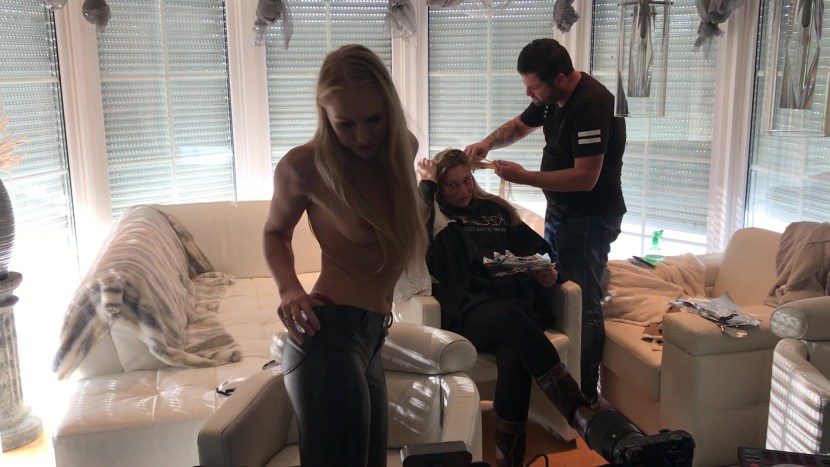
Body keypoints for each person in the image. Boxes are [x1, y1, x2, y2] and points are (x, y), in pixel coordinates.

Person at [263, 44, 427, 467]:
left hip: (373, 335)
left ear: (389, 106)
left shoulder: (403, 149)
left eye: (374, 119)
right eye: (345, 124)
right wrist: (289, 289)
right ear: (325, 113)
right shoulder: (304, 166)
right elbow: (275, 232)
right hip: (329, 334)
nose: (362, 136)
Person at [464, 38, 626, 402]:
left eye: (534, 87)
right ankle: (564, 385)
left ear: (561, 78)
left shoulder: (591, 106)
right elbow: (521, 125)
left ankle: (586, 393)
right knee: (560, 291)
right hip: (564, 214)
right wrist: (487, 144)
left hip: (588, 219)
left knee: (582, 302)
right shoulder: (551, 97)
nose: (529, 93)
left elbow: (585, 178)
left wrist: (523, 177)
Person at [417, 148, 592, 467]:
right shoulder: (437, 216)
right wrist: (426, 183)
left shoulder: (495, 210)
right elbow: (417, 229)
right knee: (512, 319)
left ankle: (511, 463)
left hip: (513, 306)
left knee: (514, 351)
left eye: (466, 181)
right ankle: (578, 410)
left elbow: (539, 251)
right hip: (468, 308)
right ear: (439, 189)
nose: (463, 190)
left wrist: (546, 271)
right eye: (451, 185)